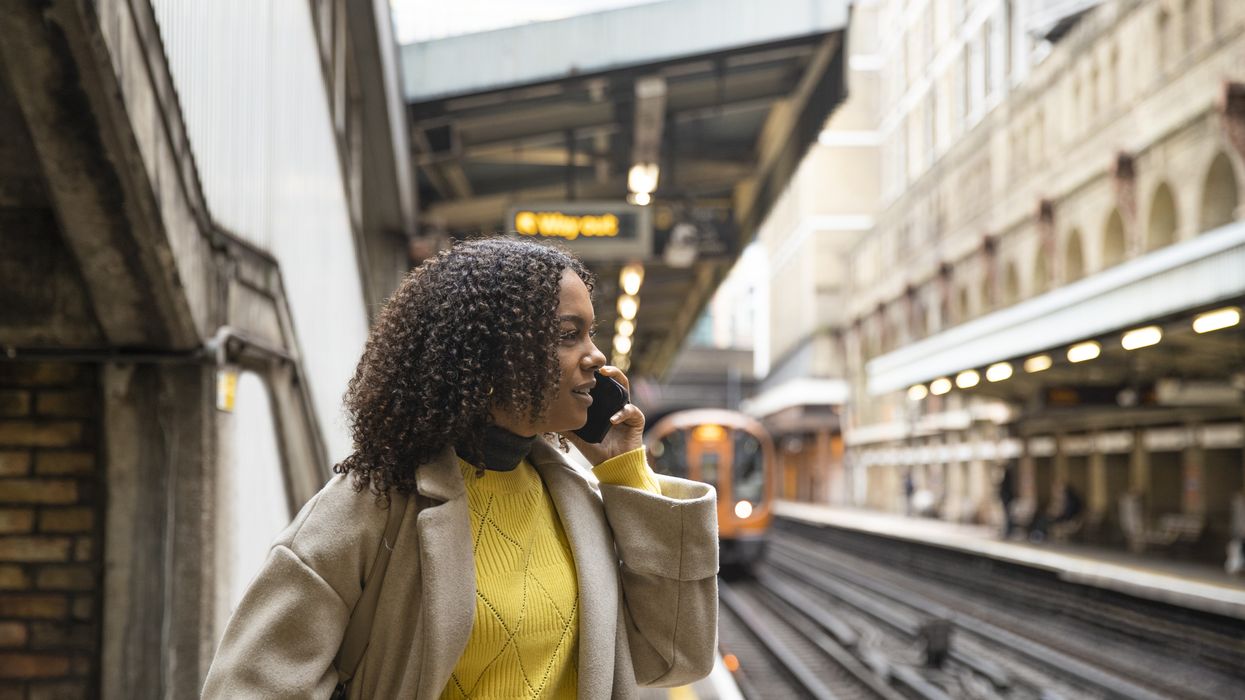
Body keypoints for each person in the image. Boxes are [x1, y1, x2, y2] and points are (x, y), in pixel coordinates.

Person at [202, 238, 719, 698]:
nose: (596, 356)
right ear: (493, 353)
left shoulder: (578, 502)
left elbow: (673, 656)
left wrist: (626, 473)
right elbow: (248, 685)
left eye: (591, 334)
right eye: (569, 335)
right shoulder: (374, 504)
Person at [997, 461, 1017, 538]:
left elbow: (1007, 488)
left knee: (1008, 515)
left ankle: (1009, 530)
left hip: (1007, 498)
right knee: (1007, 515)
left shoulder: (1007, 476)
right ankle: (1008, 530)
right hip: (1007, 498)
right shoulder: (1008, 476)